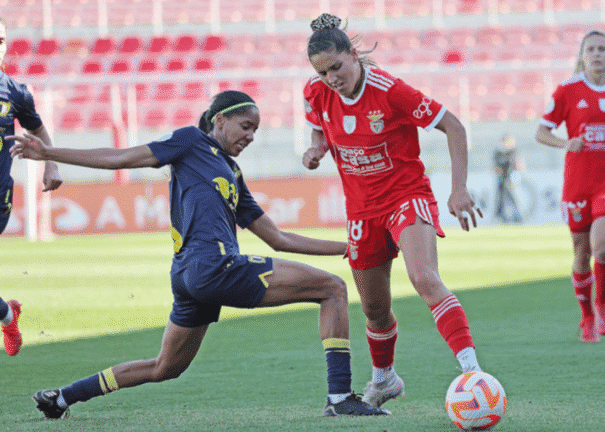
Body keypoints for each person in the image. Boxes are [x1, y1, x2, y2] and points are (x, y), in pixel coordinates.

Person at [9, 90, 389, 418]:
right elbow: (122, 157)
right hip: (212, 266)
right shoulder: (190, 142)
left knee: (164, 368)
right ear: (220, 120)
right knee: (333, 289)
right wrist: (50, 152)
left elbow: (277, 238)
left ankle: (62, 397)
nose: (252, 136)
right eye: (246, 126)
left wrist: (350, 247)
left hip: (191, 277)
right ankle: (340, 397)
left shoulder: (233, 173)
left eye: (256, 130)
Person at [301, 14, 484, 409]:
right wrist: (317, 148)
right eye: (323, 71)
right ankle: (384, 380)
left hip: (406, 196)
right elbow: (319, 125)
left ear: (353, 55)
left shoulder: (390, 92)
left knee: (424, 277)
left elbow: (453, 126)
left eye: (337, 66)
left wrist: (459, 189)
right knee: (374, 311)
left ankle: (474, 374)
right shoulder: (315, 93)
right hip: (361, 211)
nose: (332, 77)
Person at [534, 30, 605, 343]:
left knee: (601, 246)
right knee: (581, 251)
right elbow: (541, 131)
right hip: (578, 182)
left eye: (602, 49)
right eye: (591, 49)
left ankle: (603, 305)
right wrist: (567, 142)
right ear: (582, 55)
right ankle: (587, 316)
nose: (596, 54)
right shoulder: (566, 90)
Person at [1, 17, 63, 357]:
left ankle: (8, 315)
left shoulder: (14, 91)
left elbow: (38, 130)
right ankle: (8, 314)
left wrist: (50, 162)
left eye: (0, 39)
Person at [493, 134, 524, 223]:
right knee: (501, 198)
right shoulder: (498, 153)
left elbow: (520, 166)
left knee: (514, 197)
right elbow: (496, 168)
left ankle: (518, 216)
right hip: (502, 178)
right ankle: (502, 217)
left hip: (512, 178)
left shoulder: (514, 152)